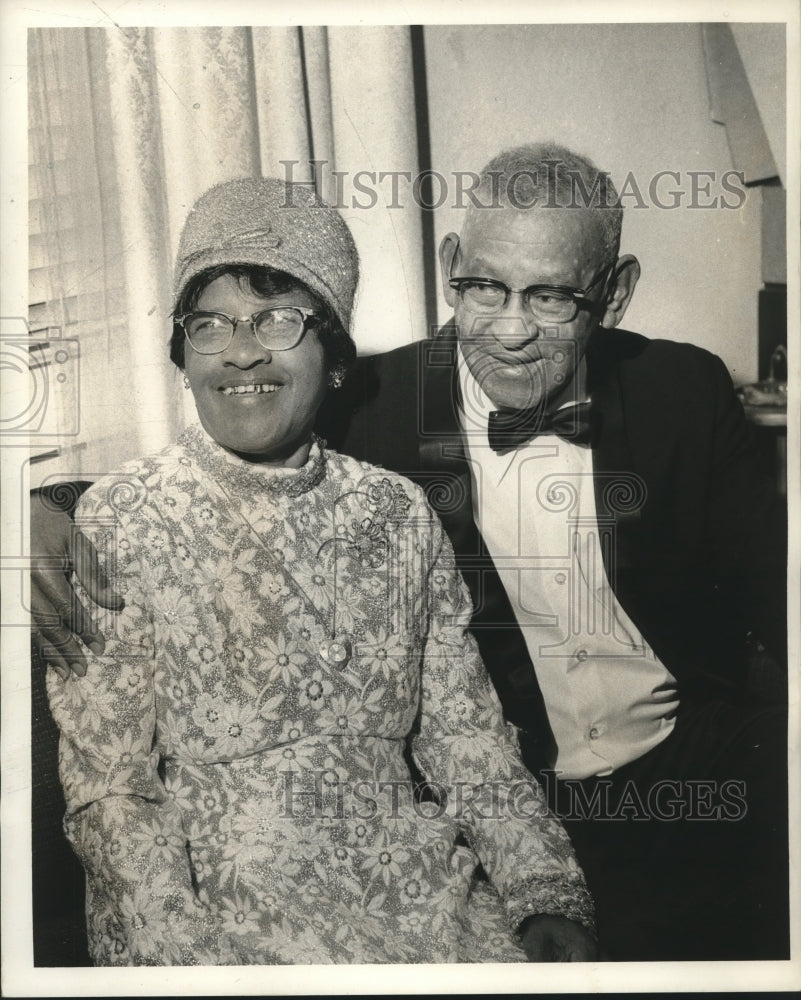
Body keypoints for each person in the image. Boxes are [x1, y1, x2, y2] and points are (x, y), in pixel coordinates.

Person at [32, 145, 789, 961]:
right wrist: (28, 508)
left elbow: (775, 591)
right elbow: (226, 449)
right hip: (529, 787)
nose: (509, 329)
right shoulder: (372, 400)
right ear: (450, 267)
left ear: (612, 291)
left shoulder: (681, 389)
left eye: (551, 297)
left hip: (686, 761)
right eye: (486, 287)